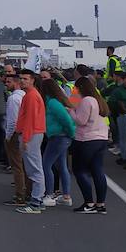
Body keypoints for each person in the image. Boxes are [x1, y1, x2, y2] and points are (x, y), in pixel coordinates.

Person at [70, 76, 110, 214]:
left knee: (80, 171)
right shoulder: (99, 100)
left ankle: (88, 202)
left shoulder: (87, 101)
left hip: (86, 139)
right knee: (97, 170)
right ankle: (100, 204)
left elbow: (81, 121)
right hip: (101, 139)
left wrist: (70, 111)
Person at [15, 69, 47, 214]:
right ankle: (37, 199)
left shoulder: (31, 96)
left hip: (32, 134)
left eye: (25, 79)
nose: (22, 81)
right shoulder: (31, 95)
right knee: (34, 167)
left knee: (34, 169)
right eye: (21, 78)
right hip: (33, 133)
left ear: (32, 80)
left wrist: (26, 139)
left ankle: (36, 201)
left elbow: (30, 120)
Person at [40, 79, 76, 207]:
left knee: (46, 164)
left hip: (58, 137)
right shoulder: (56, 102)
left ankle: (49, 194)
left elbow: (66, 120)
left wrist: (71, 133)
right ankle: (66, 196)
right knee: (61, 166)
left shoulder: (52, 103)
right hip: (62, 137)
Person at [3, 72, 29, 207]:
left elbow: (12, 121)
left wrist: (8, 137)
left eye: (9, 82)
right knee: (25, 165)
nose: (6, 84)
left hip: (14, 135)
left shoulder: (13, 99)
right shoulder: (24, 96)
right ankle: (27, 192)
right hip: (25, 133)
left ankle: (20, 195)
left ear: (16, 83)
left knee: (17, 166)